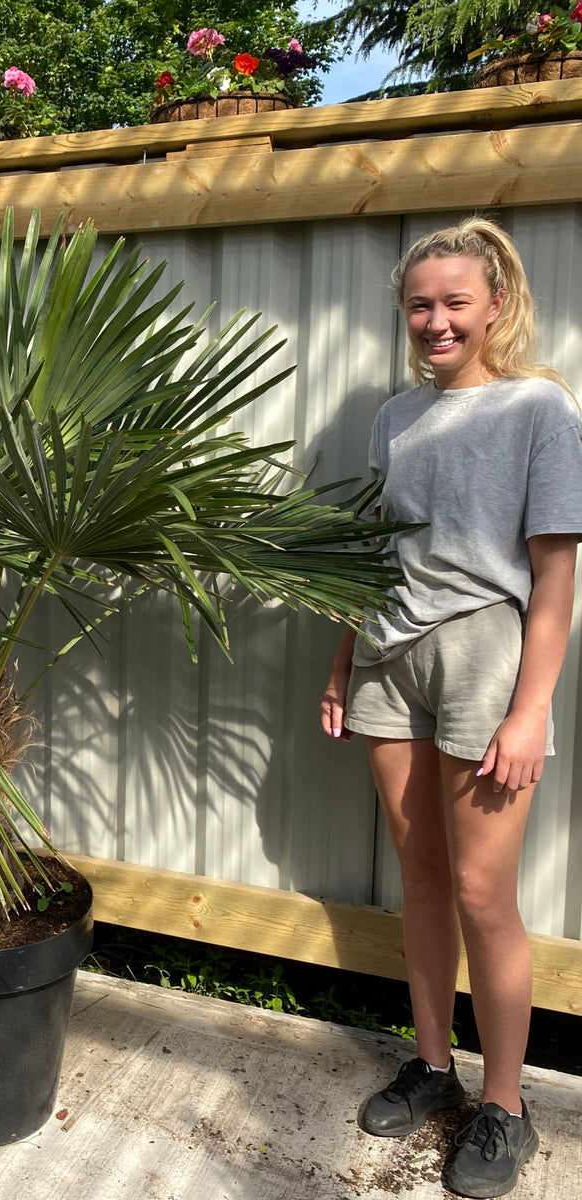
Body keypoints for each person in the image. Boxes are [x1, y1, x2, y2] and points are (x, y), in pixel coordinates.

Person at [320, 217, 582, 1198]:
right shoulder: (393, 417)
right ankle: (434, 1067)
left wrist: (531, 709)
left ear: (495, 306)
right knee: (420, 878)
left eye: (455, 302)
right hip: (390, 656)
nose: (436, 320)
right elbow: (369, 557)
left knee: (484, 897)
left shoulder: (538, 409)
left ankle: (506, 1107)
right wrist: (344, 666)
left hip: (485, 659)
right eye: (420, 304)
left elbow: (555, 573)